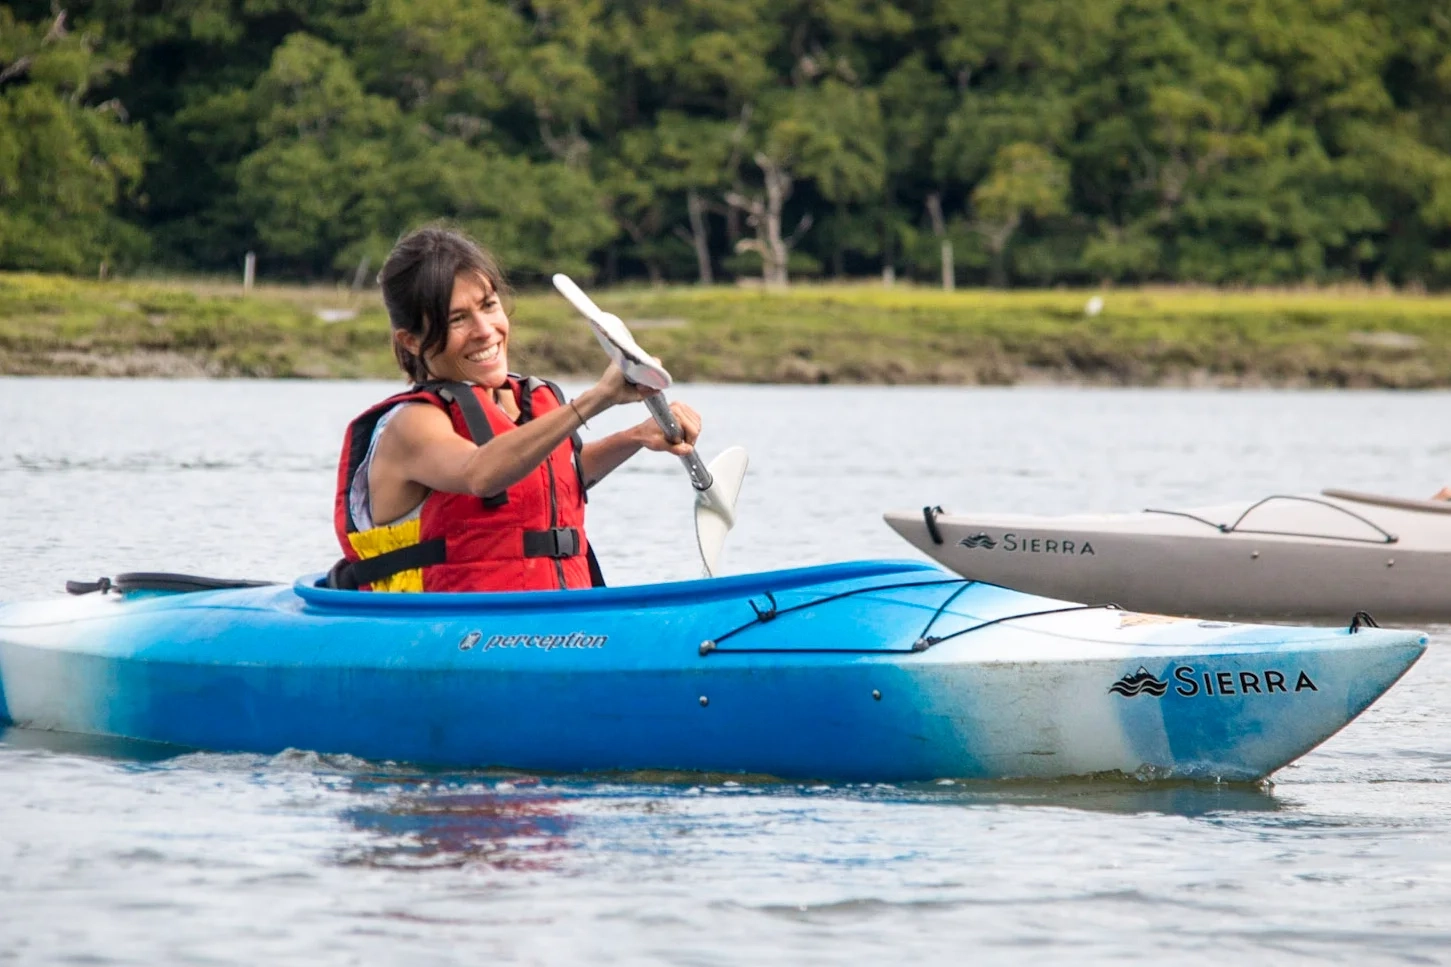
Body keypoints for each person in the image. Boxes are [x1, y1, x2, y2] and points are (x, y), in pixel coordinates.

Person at [329, 226, 700, 592]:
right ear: (411, 341)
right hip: (444, 627)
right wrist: (597, 399)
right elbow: (481, 474)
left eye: (489, 306)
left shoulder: (518, 400)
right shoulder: (412, 425)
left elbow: (553, 477)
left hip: (552, 616)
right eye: (457, 319)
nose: (485, 330)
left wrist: (635, 437)